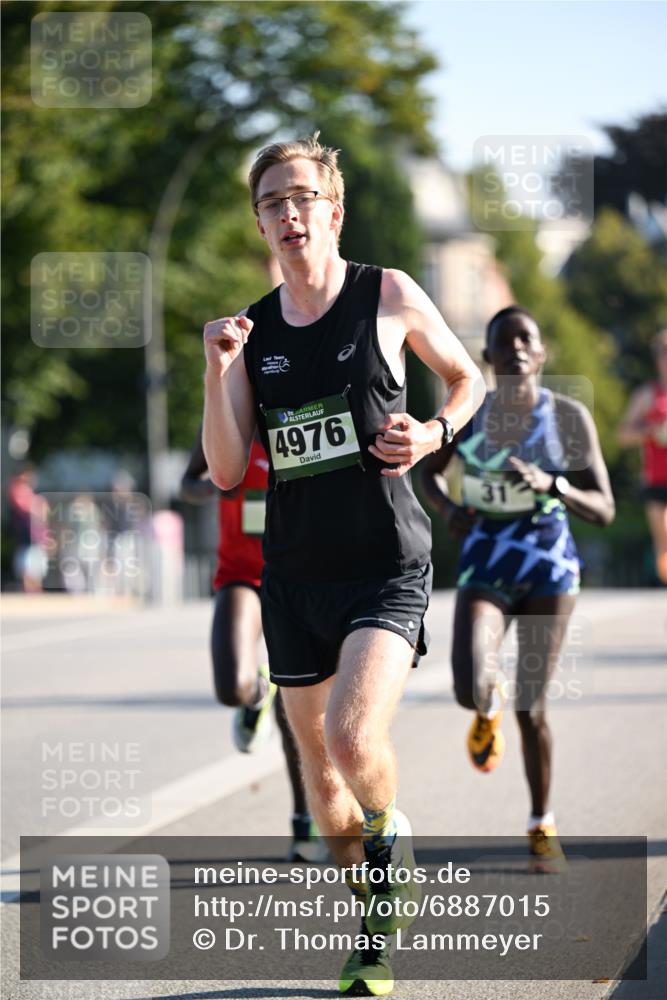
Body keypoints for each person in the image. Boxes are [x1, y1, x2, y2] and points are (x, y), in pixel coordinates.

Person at [201, 132, 484, 996]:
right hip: (293, 571)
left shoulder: (387, 294)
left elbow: (465, 378)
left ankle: (391, 831)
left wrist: (434, 432)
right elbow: (222, 467)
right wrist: (214, 373)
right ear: (260, 224)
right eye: (271, 203)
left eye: (301, 198)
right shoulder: (249, 332)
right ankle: (371, 927)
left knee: (351, 736)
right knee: (323, 795)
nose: (289, 214)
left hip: (384, 561)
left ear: (333, 209)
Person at [421, 305, 615, 873]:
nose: (516, 349)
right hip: (485, 561)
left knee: (534, 706)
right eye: (503, 343)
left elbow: (604, 507)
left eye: (526, 338)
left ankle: (540, 824)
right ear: (488, 358)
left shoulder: (569, 419)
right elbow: (427, 471)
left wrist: (552, 483)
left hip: (551, 569)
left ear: (542, 350)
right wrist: (448, 508)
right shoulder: (473, 415)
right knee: (467, 684)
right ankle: (486, 703)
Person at [181, 429, 323, 862]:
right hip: (241, 573)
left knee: (299, 718)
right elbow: (188, 484)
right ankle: (259, 692)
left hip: (300, 577)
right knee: (231, 687)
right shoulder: (223, 424)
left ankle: (306, 824)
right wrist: (214, 485)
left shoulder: (300, 415)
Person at [618, 328, 667, 584]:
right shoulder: (647, 395)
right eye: (664, 354)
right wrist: (651, 432)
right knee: (663, 540)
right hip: (657, 479)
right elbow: (623, 435)